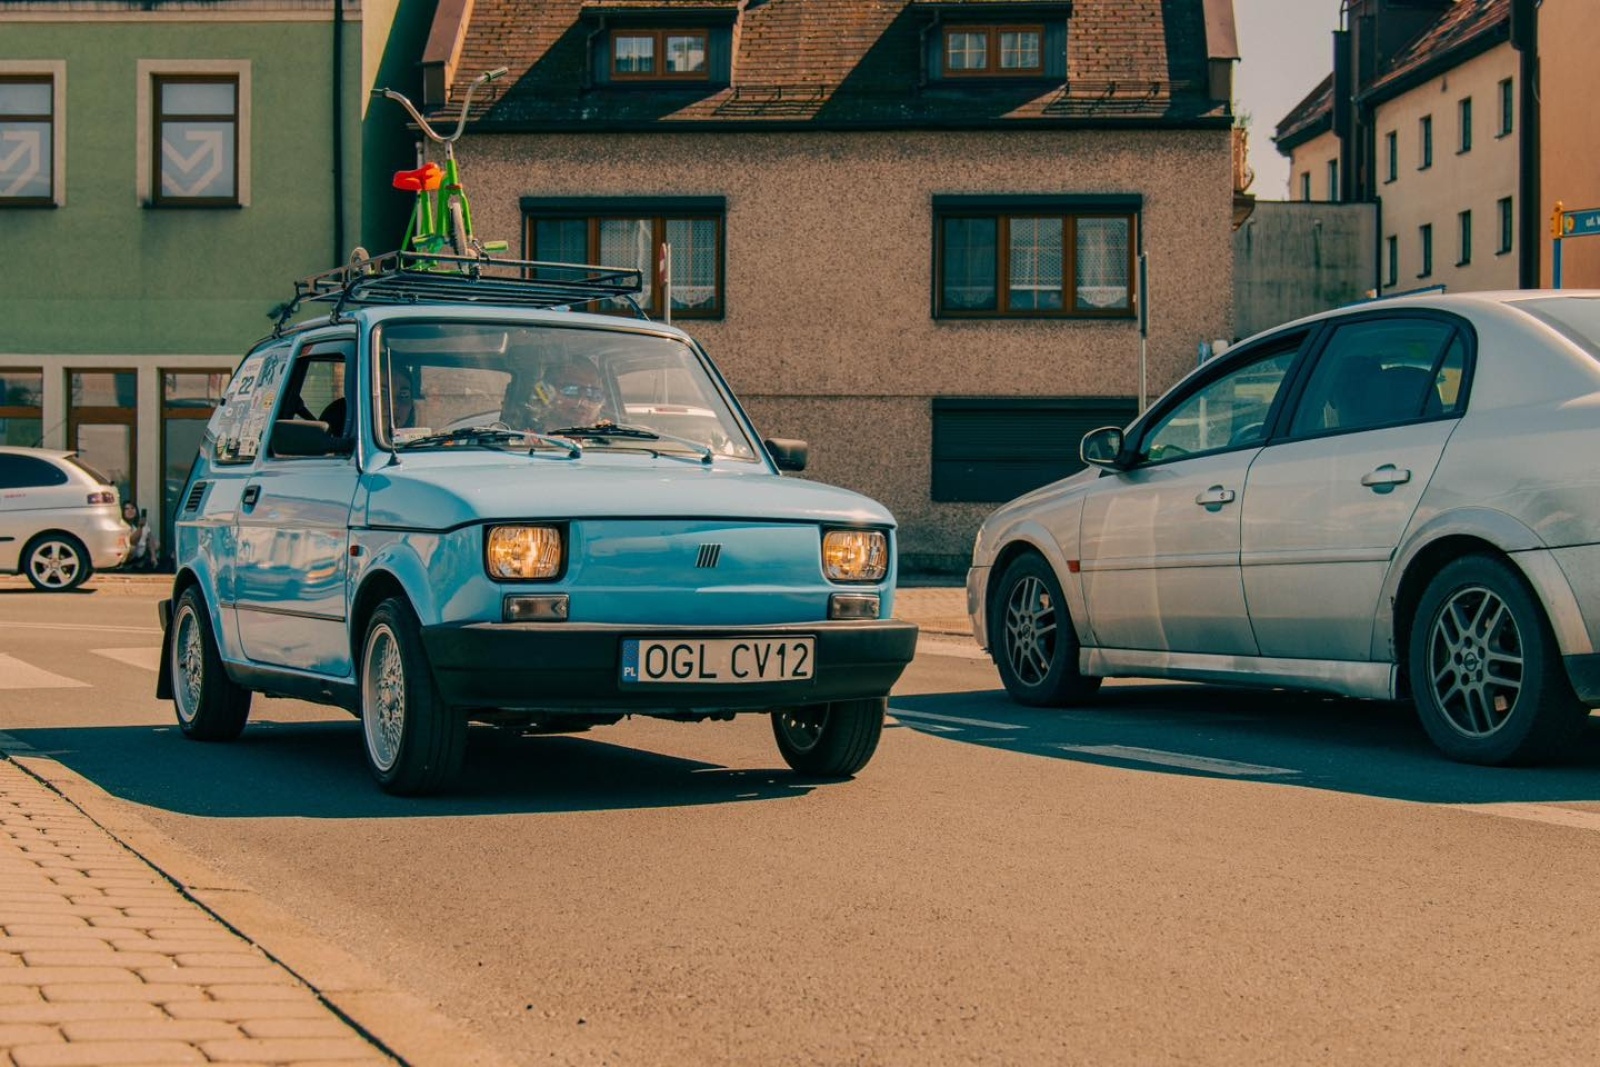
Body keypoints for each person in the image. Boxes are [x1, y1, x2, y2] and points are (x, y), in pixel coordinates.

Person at [502, 355, 606, 433]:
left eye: (593, 394)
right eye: (571, 391)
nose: (584, 403)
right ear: (546, 394)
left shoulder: (611, 442)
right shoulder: (520, 443)